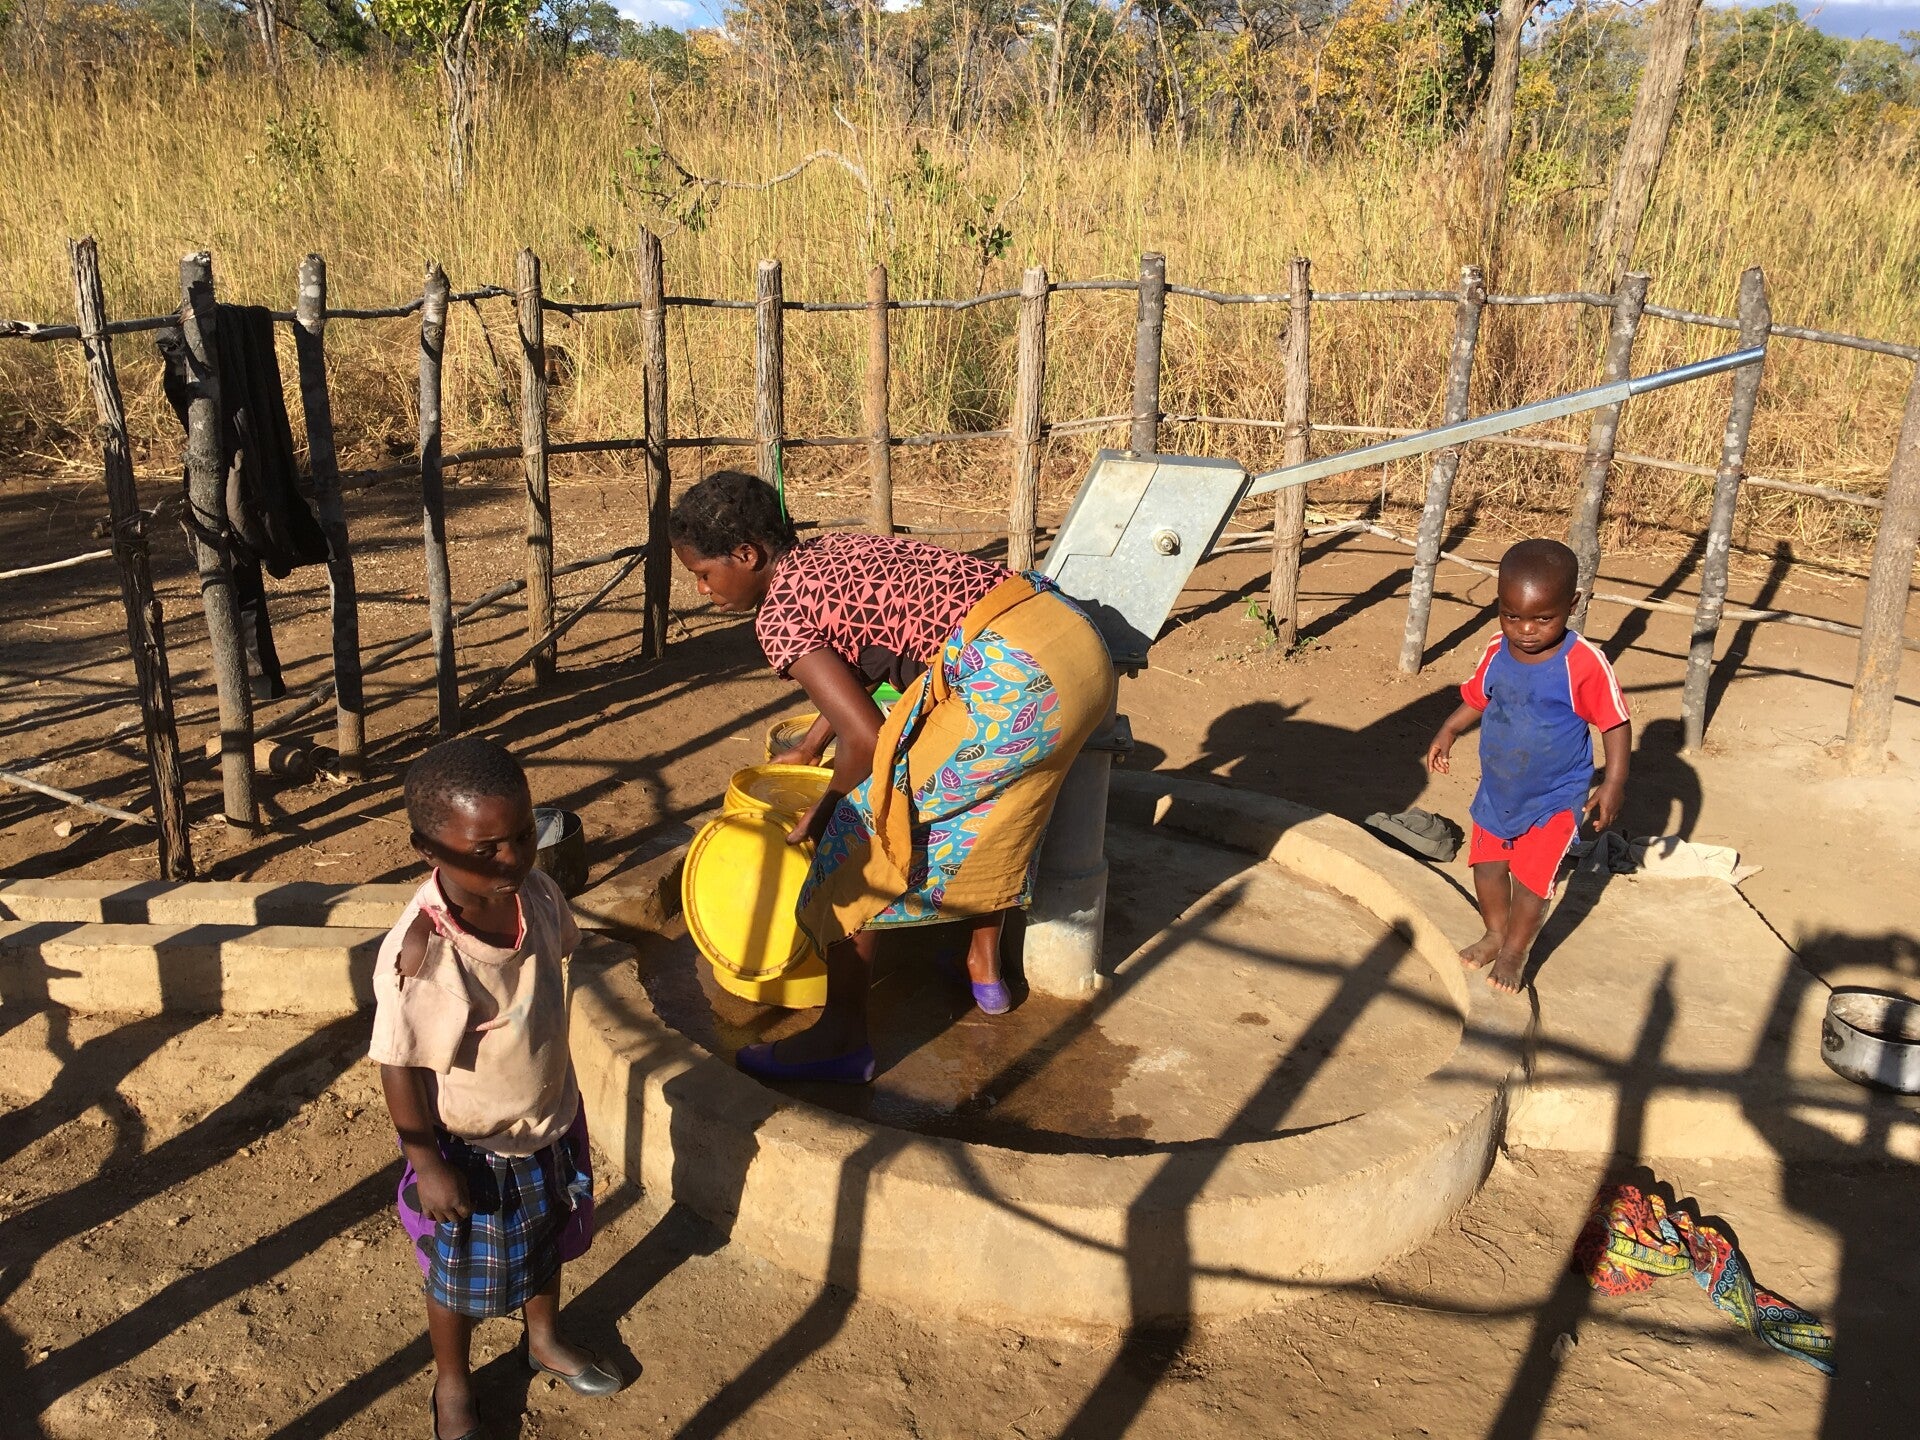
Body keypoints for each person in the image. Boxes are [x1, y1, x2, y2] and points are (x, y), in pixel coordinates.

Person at [670, 470, 1115, 1083]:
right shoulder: (831, 551)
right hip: (1068, 643)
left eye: (702, 573)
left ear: (746, 555)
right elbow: (866, 662)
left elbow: (866, 736)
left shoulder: (779, 613)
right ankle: (983, 966)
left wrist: (826, 810)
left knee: (859, 836)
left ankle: (841, 1041)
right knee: (1002, 805)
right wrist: (811, 745)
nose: (702, 590)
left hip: (1013, 682)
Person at [369, 737, 621, 1440]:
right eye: (486, 850)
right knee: (457, 1278)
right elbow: (399, 1064)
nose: (511, 858)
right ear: (428, 849)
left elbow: (547, 968)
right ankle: (453, 1382)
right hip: (472, 1146)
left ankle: (543, 1339)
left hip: (547, 1119)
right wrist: (427, 1165)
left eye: (523, 835)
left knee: (547, 1238)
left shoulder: (535, 892)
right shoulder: (428, 954)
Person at [1424, 539, 1631, 995]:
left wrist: (1613, 781)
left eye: (1543, 618)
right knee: (1486, 868)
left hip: (1554, 798)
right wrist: (1449, 730)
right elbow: (1479, 697)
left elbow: (1615, 721)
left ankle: (1515, 950)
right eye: (1512, 616)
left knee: (1533, 882)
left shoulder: (1583, 664)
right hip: (1499, 790)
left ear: (1572, 605)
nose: (1526, 630)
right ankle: (1495, 933)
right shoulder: (1497, 649)